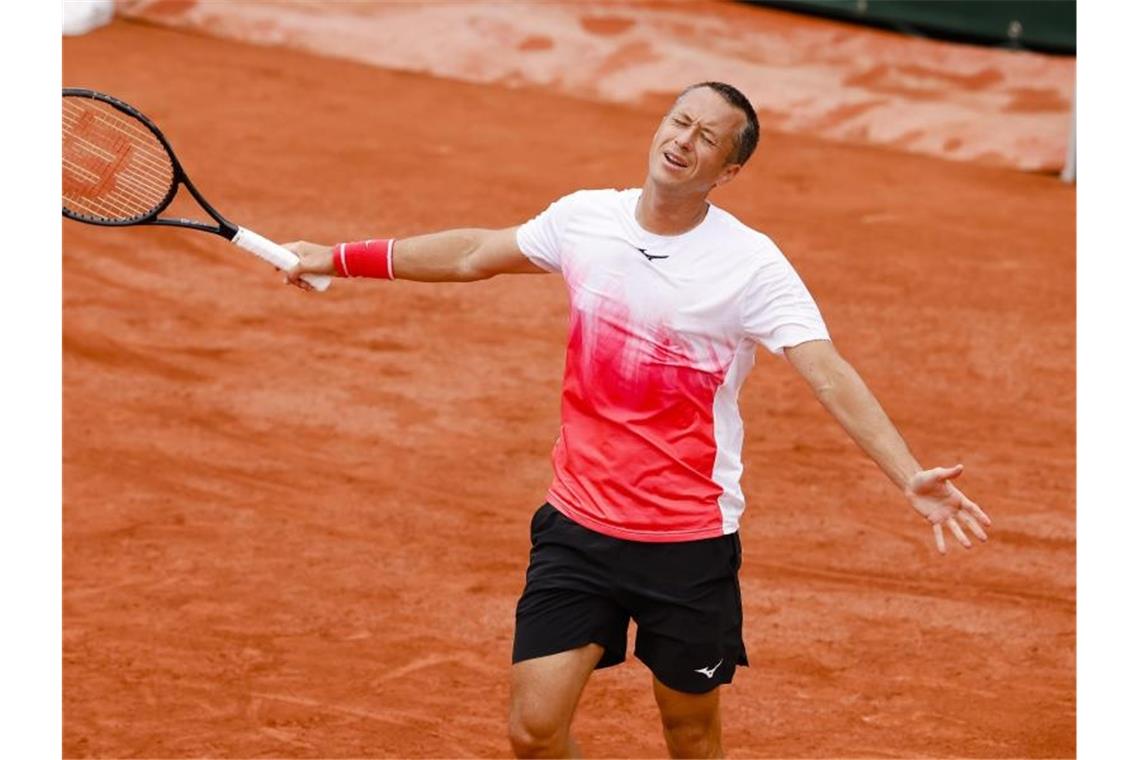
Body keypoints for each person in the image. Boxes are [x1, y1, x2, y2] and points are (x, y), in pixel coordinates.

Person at [282, 81, 991, 759]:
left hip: (686, 543)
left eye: (707, 137)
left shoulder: (751, 266)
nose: (684, 141)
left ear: (729, 169)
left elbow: (826, 369)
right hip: (577, 528)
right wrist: (339, 258)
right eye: (680, 121)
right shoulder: (587, 219)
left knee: (689, 738)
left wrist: (907, 475)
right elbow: (473, 253)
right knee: (533, 733)